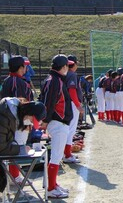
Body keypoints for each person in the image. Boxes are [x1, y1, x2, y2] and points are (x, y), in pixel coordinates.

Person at [39, 54, 74, 198]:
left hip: (58, 122)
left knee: (57, 156)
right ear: (63, 66)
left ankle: (53, 184)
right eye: (67, 65)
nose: (69, 67)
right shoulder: (55, 81)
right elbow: (49, 102)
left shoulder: (55, 79)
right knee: (55, 156)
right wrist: (45, 121)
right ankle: (51, 188)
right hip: (57, 122)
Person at [0, 98, 46, 190]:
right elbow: (1, 148)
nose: (31, 124)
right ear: (28, 113)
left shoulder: (13, 112)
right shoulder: (5, 117)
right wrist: (20, 149)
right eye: (32, 120)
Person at [63, 55, 84, 164]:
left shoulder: (66, 73)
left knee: (68, 129)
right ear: (74, 64)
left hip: (67, 103)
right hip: (71, 103)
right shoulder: (72, 74)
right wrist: (78, 105)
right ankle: (67, 154)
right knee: (70, 130)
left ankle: (66, 153)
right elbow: (72, 91)